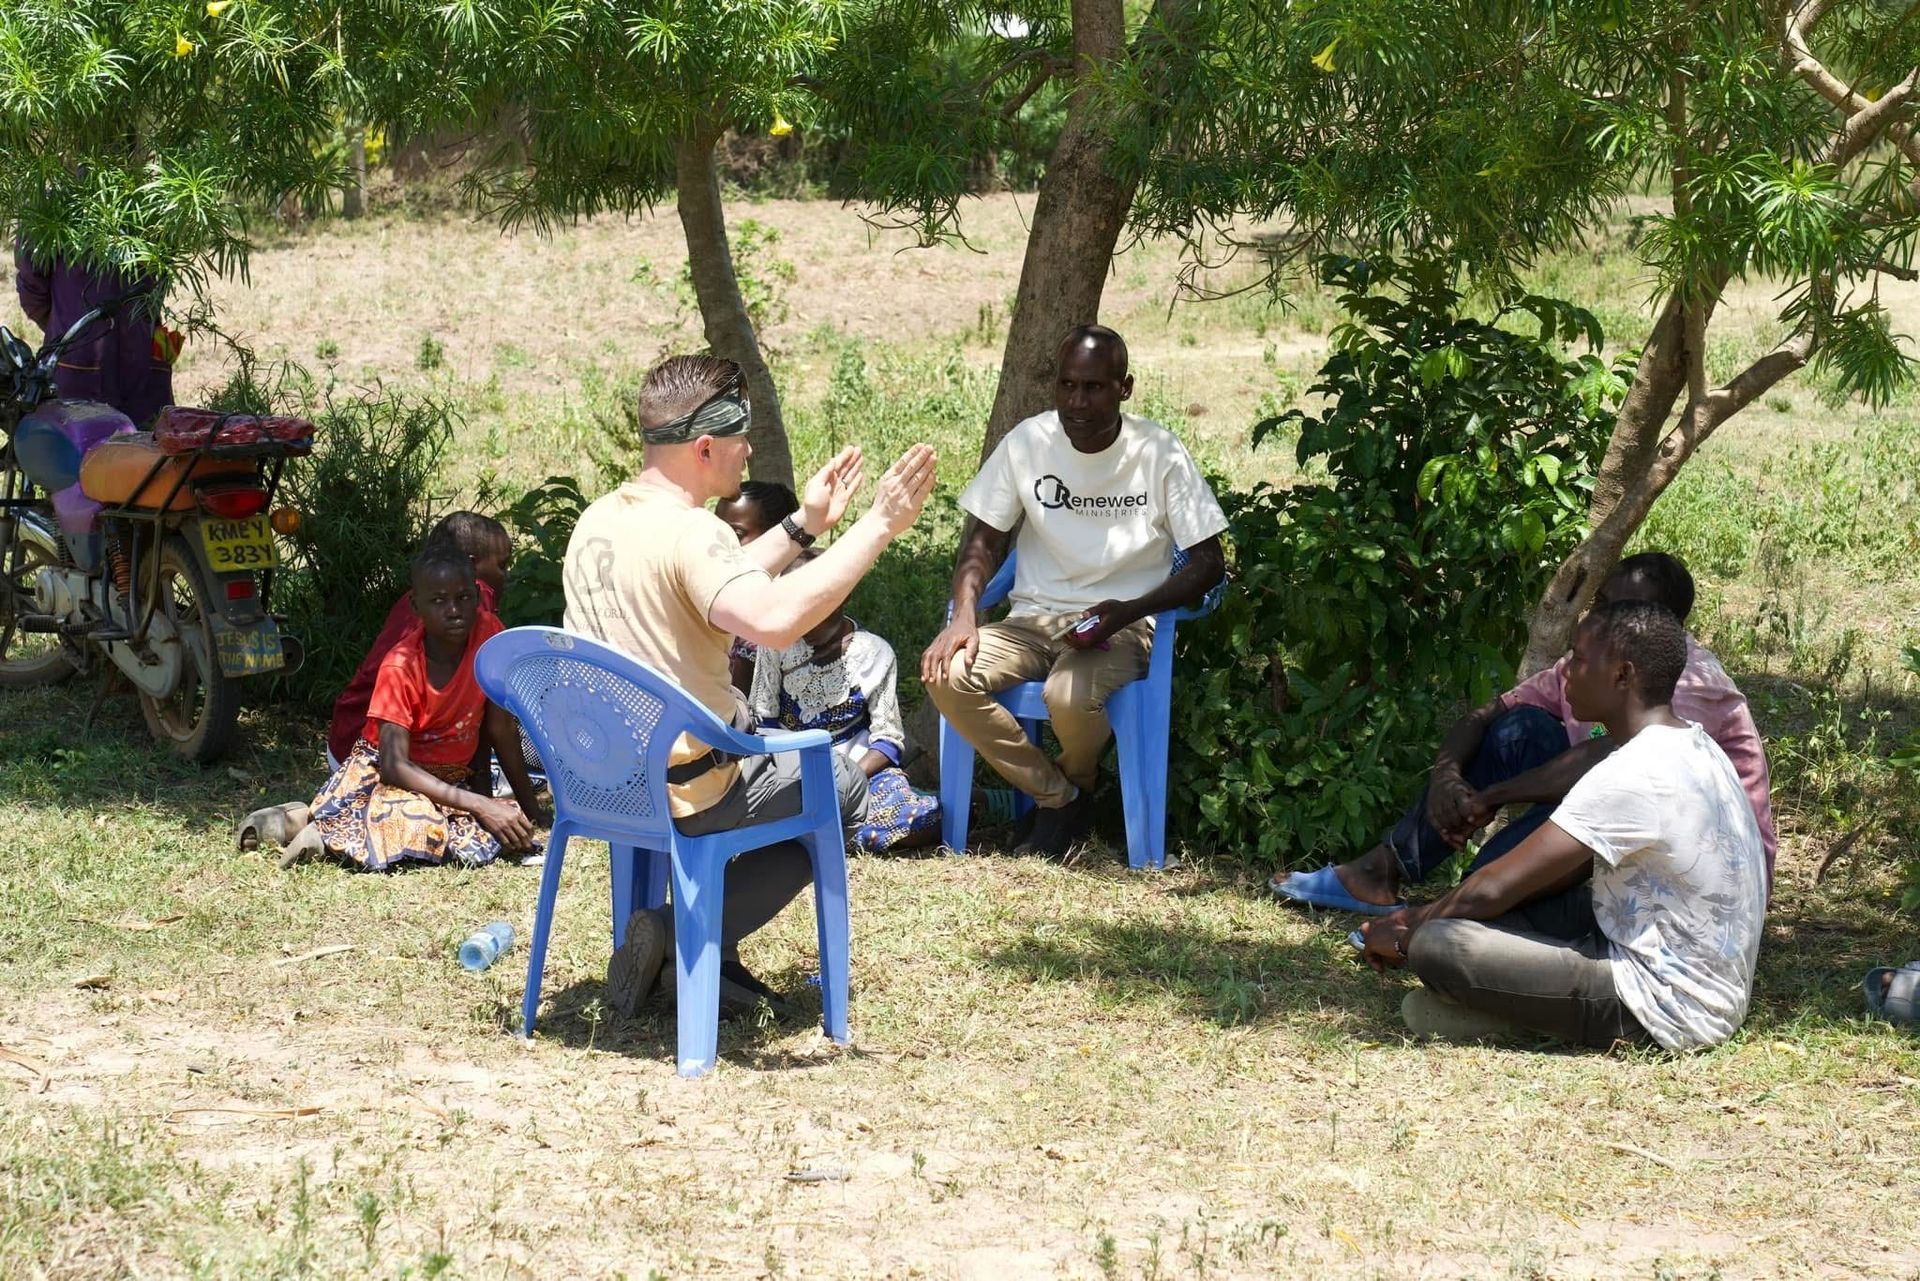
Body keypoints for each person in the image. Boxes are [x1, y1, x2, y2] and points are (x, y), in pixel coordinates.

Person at [563, 354, 936, 1016]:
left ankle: (696, 961)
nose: (750, 450)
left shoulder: (603, 518)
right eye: (740, 438)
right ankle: (684, 936)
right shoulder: (692, 531)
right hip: (689, 787)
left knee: (788, 771)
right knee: (838, 784)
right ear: (704, 446)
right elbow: (770, 619)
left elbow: (714, 580)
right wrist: (879, 525)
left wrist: (805, 526)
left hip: (603, 782)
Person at [1360, 600, 1768, 1051]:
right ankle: (1510, 1004)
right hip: (1695, 974)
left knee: (1439, 943)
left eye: (1578, 658)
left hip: (1667, 1005)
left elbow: (1493, 887)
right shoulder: (1695, 744)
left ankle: (1520, 1019)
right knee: (1497, 910)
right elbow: (1514, 887)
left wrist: (1404, 931)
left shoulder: (1634, 771)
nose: (1567, 670)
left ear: (1622, 675)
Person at [1273, 552, 1777, 914]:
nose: (1599, 617)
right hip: (1624, 825)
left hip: (1701, 876)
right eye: (1601, 602)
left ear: (1655, 627)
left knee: (1572, 808)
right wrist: (1447, 778)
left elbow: (1611, 763)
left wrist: (1492, 796)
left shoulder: (1685, 681)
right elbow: (1488, 714)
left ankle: (1468, 901)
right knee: (1522, 729)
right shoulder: (1593, 659)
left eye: (1618, 612)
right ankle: (1384, 872)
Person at [921, 325, 1227, 858]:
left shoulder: (1157, 451)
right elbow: (982, 543)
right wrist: (965, 614)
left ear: (1123, 388)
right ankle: (1062, 798)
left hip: (1122, 625)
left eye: (1093, 388)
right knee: (948, 673)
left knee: (1066, 694)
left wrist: (1128, 610)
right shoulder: (1029, 442)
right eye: (1067, 386)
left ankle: (1069, 790)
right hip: (1030, 622)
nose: (1076, 402)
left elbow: (1208, 563)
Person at [292, 545, 545, 871]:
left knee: (489, 831)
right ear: (416, 606)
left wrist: (529, 808)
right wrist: (481, 804)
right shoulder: (400, 665)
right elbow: (394, 766)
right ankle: (322, 831)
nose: (454, 610)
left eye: (464, 598)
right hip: (390, 778)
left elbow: (501, 727)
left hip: (453, 781)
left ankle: (322, 825)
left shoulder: (489, 633)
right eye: (439, 601)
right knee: (417, 824)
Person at [749, 551, 940, 854]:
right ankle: (824, 830)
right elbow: (763, 720)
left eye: (812, 613)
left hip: (858, 773)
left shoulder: (875, 654)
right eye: (794, 613)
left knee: (916, 820)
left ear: (841, 599)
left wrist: (846, 783)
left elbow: (888, 740)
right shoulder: (776, 644)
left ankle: (964, 803)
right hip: (790, 770)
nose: (802, 625)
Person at [325, 512, 513, 772]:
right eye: (503, 565)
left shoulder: (423, 599)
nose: (506, 577)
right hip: (380, 758)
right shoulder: (473, 602)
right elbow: (394, 765)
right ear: (470, 566)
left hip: (346, 740)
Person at [13, 243, 175, 427]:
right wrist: (68, 325)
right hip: (79, 360)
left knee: (152, 447)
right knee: (80, 446)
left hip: (144, 360)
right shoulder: (53, 216)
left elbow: (166, 266)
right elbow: (32, 284)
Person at [713, 480, 800, 692]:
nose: (719, 544)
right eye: (716, 532)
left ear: (777, 538)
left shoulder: (791, 607)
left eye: (735, 534)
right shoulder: (715, 591)